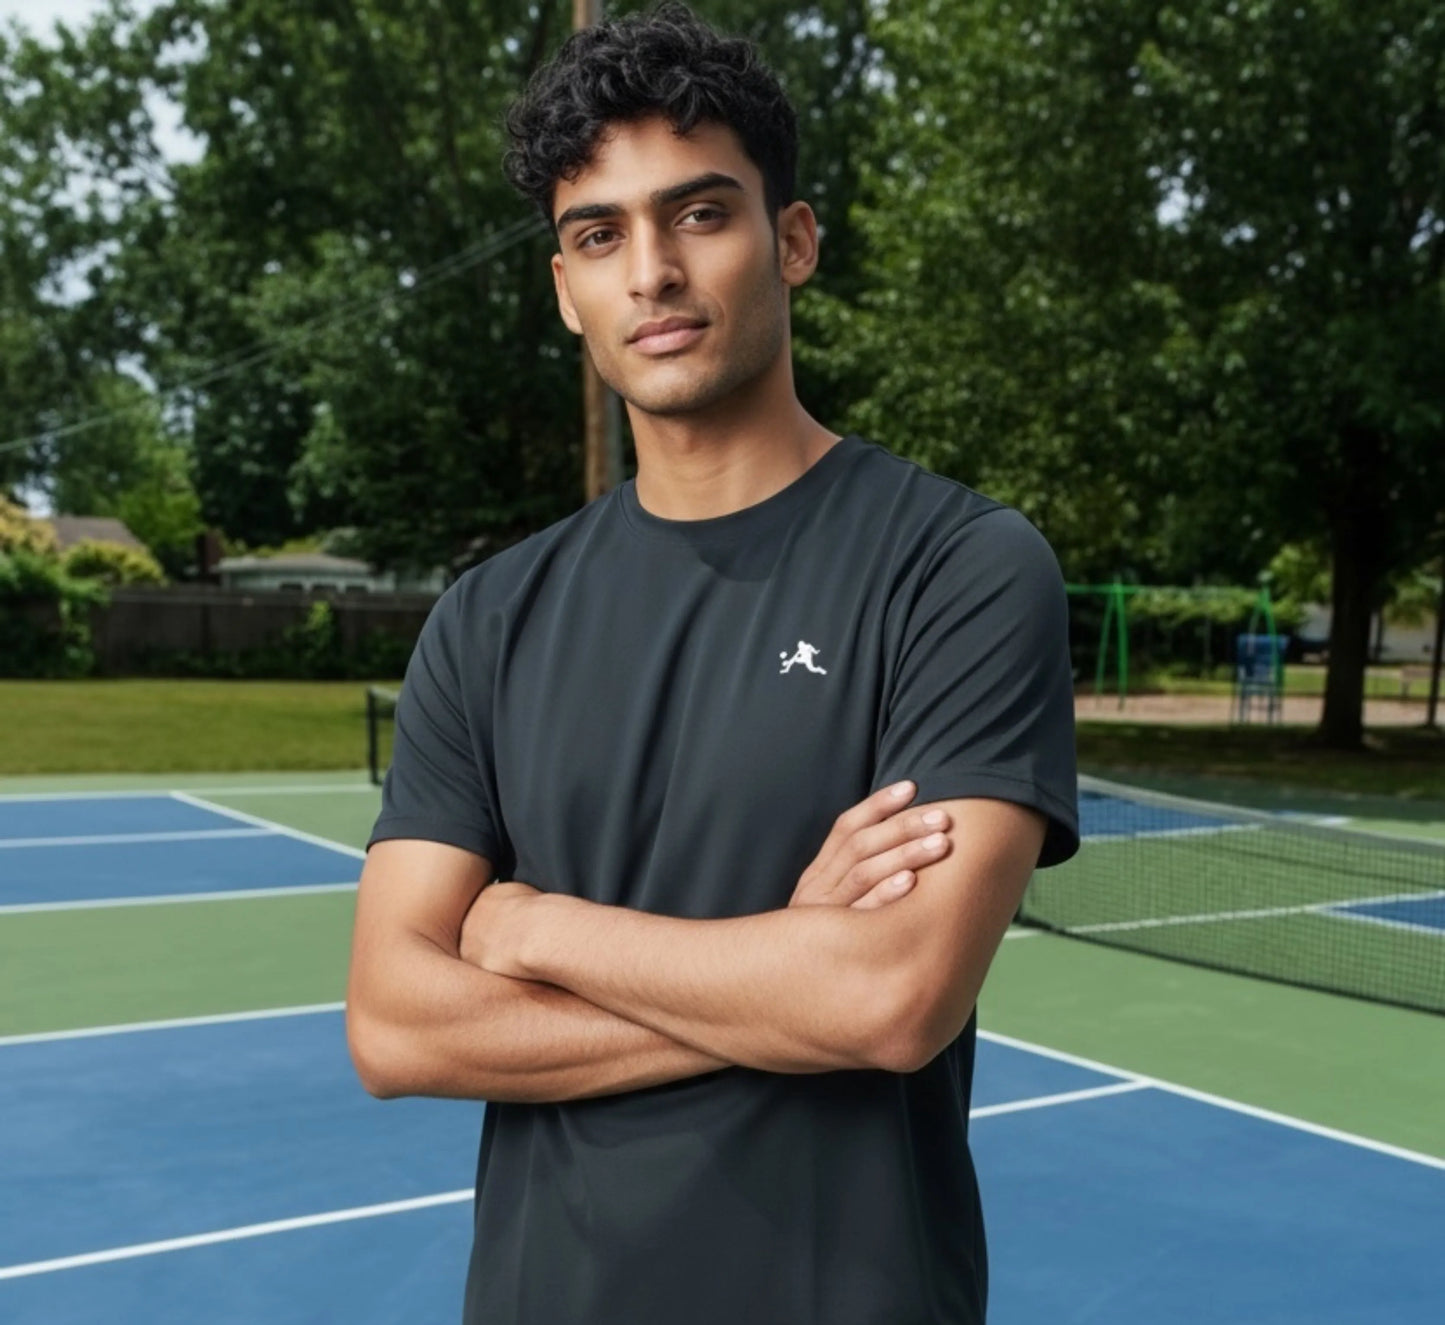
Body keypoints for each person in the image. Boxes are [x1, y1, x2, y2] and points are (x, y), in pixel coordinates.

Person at [345, 4, 1079, 1322]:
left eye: (699, 214)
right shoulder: (487, 617)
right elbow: (396, 1025)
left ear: (789, 241)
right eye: (598, 235)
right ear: (565, 290)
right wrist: (784, 960)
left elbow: (892, 996)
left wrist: (530, 924)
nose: (650, 273)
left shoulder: (958, 567)